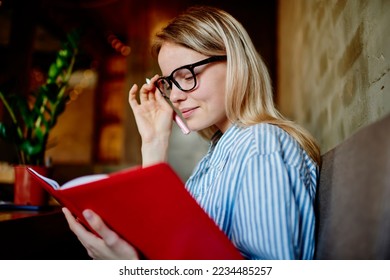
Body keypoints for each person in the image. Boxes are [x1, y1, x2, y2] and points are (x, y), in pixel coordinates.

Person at [62, 5, 321, 260]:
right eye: (170, 82)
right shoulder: (219, 155)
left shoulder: (259, 145)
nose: (174, 95)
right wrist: (154, 143)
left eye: (187, 75)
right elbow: (171, 246)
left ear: (235, 63)